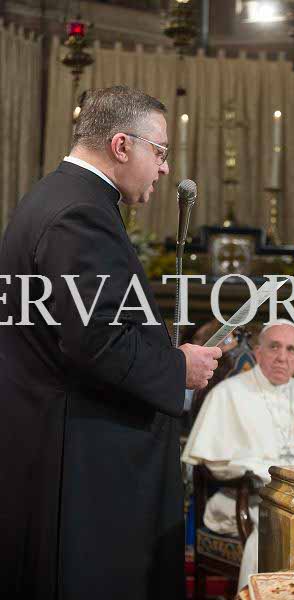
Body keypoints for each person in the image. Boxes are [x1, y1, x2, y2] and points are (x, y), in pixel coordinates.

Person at [0, 86, 221, 600]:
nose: (165, 168)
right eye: (159, 151)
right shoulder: (81, 212)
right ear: (122, 145)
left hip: (56, 439)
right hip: (80, 457)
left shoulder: (60, 196)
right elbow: (95, 339)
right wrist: (178, 367)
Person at [182, 319, 294, 590]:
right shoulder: (228, 393)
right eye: (274, 347)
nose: (282, 357)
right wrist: (264, 473)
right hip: (250, 502)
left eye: (291, 350)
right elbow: (215, 463)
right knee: (276, 530)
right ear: (258, 353)